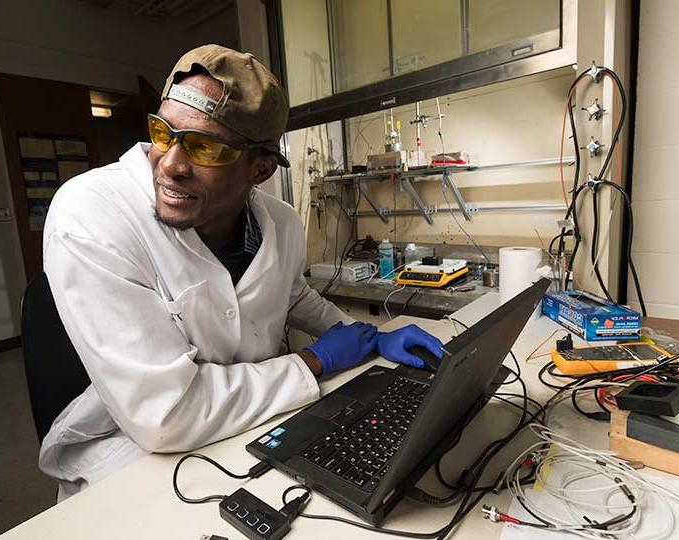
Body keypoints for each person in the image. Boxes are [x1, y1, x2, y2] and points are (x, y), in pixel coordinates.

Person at [39, 44, 443, 499]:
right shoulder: (92, 214)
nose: (170, 164)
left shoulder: (281, 221)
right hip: (133, 455)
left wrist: (367, 336)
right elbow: (166, 414)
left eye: (204, 147)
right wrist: (315, 360)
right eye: (163, 132)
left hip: (256, 425)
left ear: (261, 168)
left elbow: (290, 295)